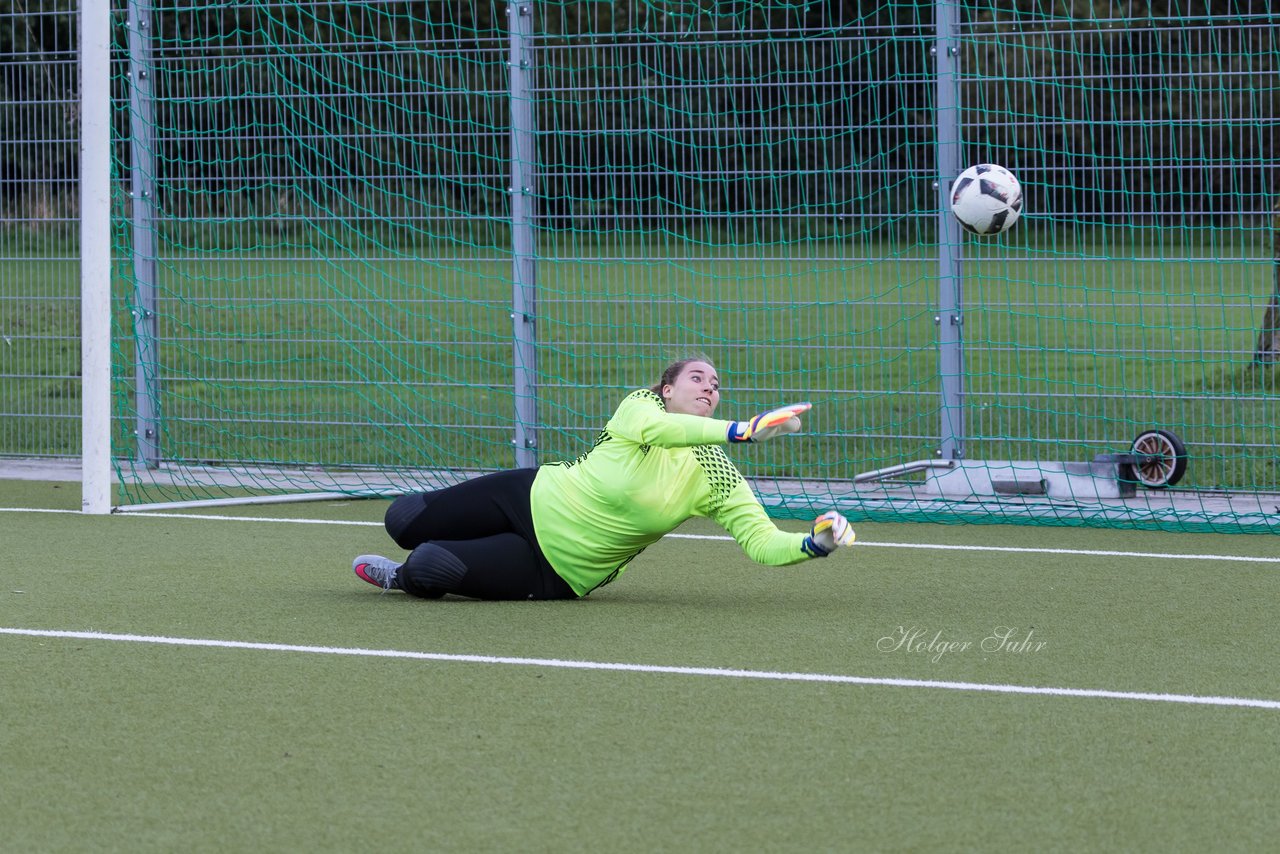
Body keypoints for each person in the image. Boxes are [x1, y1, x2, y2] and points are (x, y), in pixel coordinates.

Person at [352, 357, 857, 600]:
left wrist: (817, 543)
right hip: (528, 497)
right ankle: (449, 540)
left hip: (557, 570)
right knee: (403, 518)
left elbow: (763, 543)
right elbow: (665, 429)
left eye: (717, 385)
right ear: (666, 388)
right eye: (697, 378)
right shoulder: (641, 408)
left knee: (429, 567)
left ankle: (399, 577)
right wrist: (743, 430)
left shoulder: (717, 475)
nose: (710, 387)